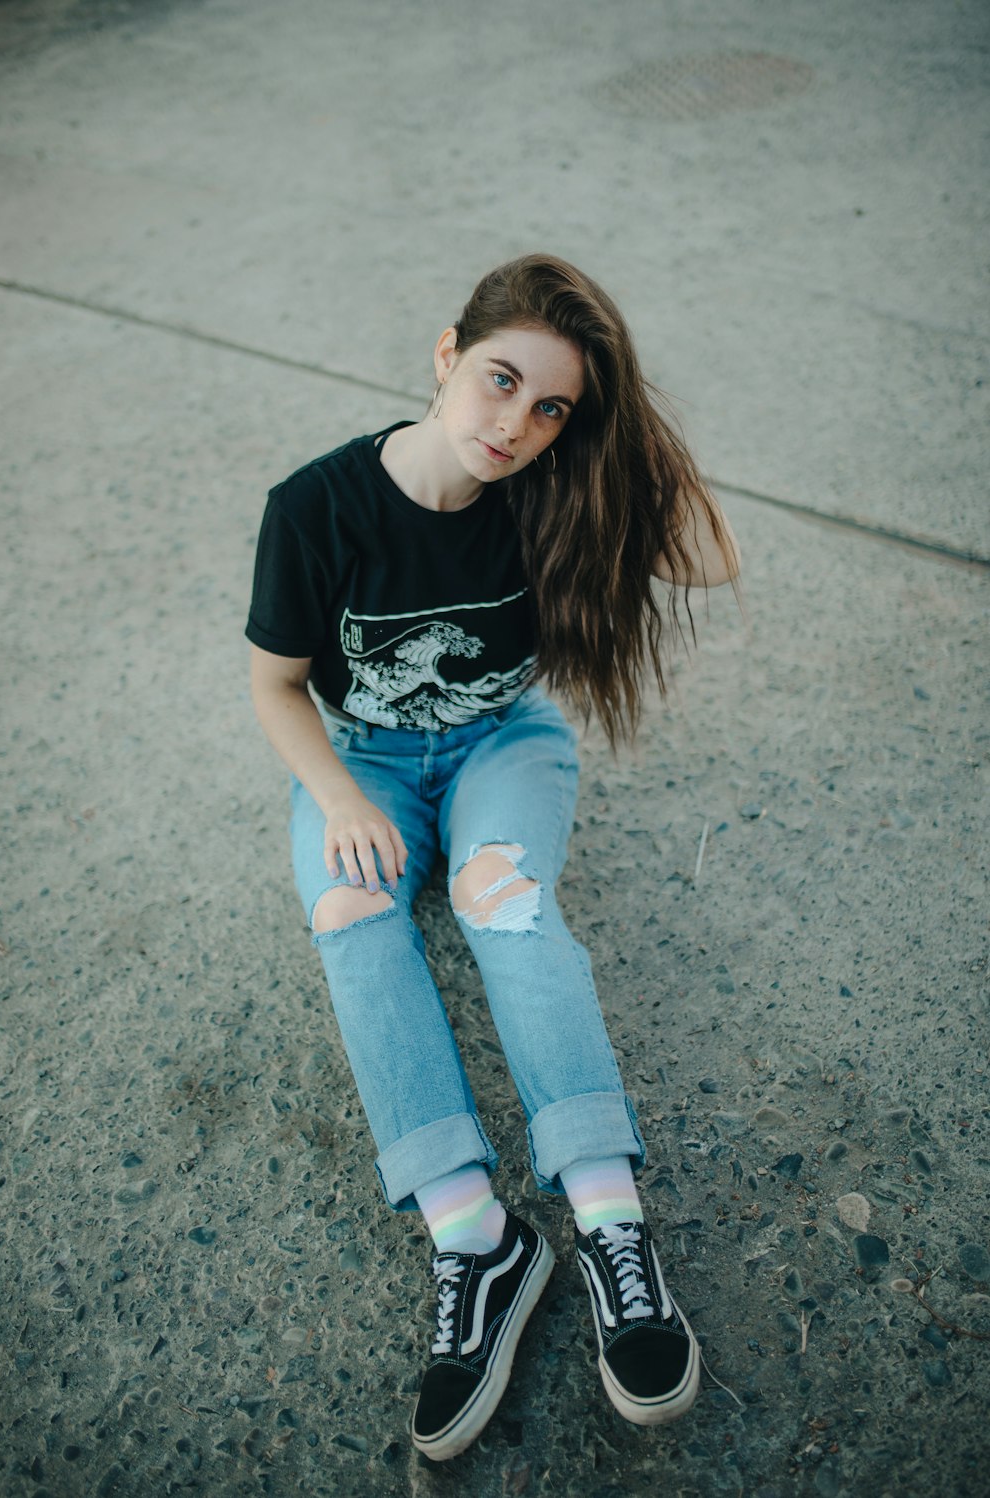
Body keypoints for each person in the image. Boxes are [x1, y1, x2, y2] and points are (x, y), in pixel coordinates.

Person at [245, 253, 740, 1461]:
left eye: (550, 407)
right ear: (445, 353)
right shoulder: (317, 508)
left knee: (499, 901)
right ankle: (477, 1237)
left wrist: (620, 437)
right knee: (352, 912)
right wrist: (337, 798)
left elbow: (711, 559)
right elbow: (275, 686)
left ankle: (609, 1221)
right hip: (359, 752)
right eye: (499, 380)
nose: (513, 424)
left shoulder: (551, 490)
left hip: (499, 745)